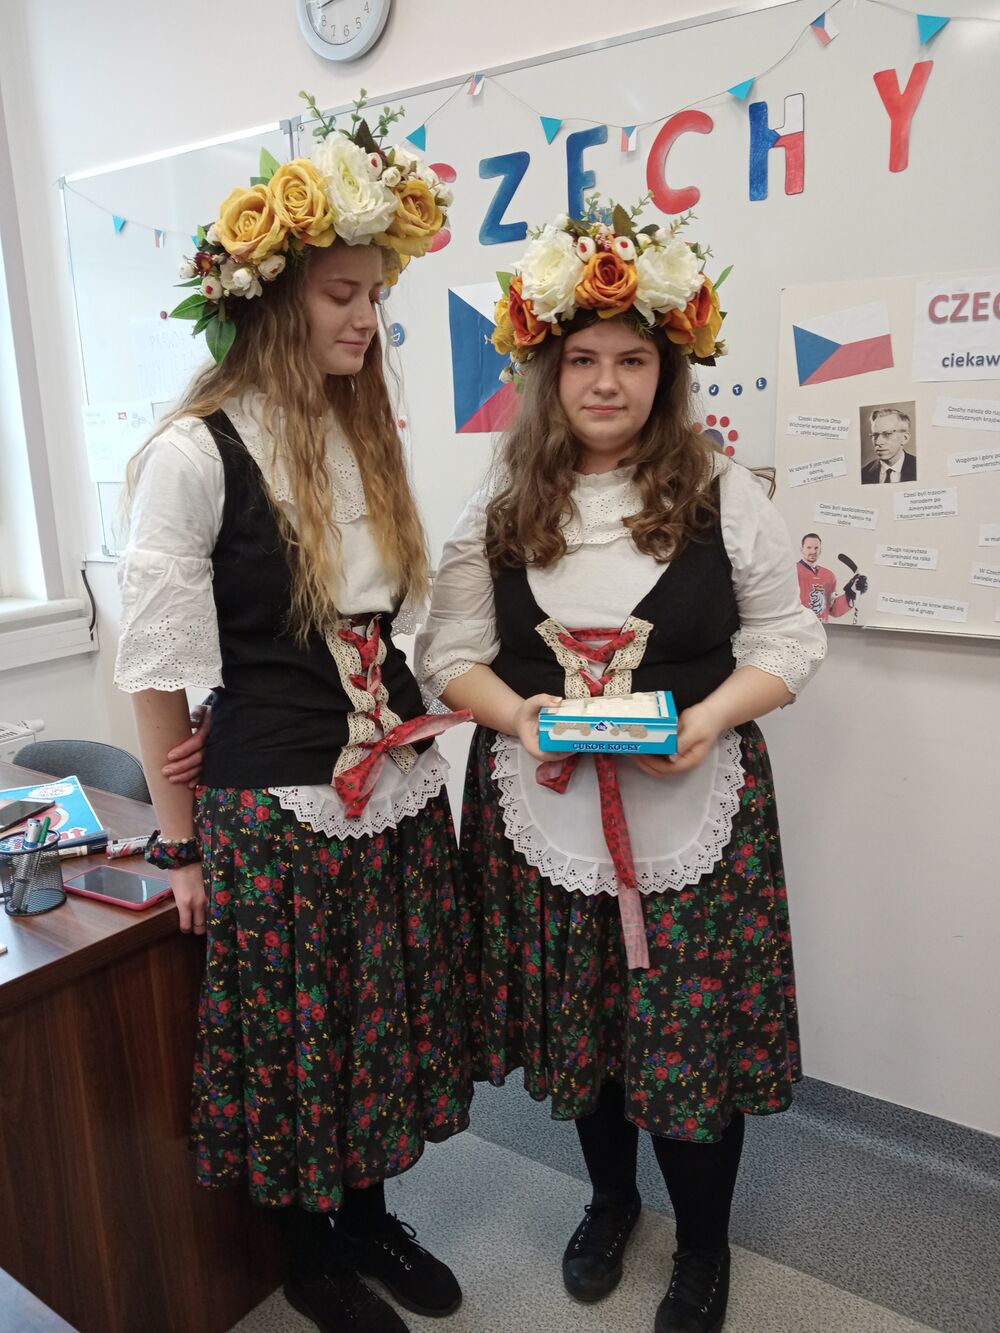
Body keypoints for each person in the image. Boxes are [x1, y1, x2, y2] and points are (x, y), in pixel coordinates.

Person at [415, 203, 826, 1333]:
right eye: (583, 359)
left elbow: (789, 641)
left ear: (667, 370)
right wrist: (518, 716)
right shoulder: (500, 505)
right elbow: (448, 653)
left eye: (632, 361)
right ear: (546, 372)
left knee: (689, 1043)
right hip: (545, 817)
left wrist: (712, 717)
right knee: (585, 1029)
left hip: (695, 807)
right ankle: (608, 1200)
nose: (607, 382)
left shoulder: (724, 491)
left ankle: (702, 1245)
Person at [114, 97, 470, 1333]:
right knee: (305, 1037)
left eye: (376, 295)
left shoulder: (359, 427)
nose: (367, 318)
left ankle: (370, 1218)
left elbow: (387, 623)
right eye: (341, 294)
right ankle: (312, 1252)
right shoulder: (194, 452)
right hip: (275, 804)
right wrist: (177, 843)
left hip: (395, 781)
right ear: (272, 297)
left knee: (376, 1020)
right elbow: (154, 667)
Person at [797, 533, 867, 621]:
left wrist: (851, 593)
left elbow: (833, 610)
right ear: (802, 549)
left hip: (822, 627)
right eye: (809, 547)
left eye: (816, 548)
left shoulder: (828, 575)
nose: (813, 551)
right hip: (798, 626)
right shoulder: (792, 571)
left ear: (820, 550)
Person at [860, 407, 917, 483]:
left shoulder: (920, 467)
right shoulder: (863, 474)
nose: (878, 442)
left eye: (887, 434)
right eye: (875, 435)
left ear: (905, 438)